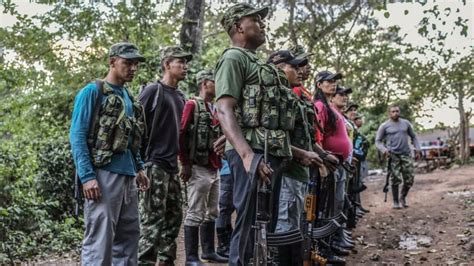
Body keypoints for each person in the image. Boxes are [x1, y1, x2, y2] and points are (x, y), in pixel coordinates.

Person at [215, 4, 320, 265]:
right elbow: (224, 109)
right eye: (256, 20)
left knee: (265, 228)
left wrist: (296, 153)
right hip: (252, 156)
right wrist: (247, 155)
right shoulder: (233, 58)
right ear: (239, 26)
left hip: (269, 156)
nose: (262, 24)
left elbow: (267, 122)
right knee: (249, 225)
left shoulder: (255, 62)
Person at [70, 42, 150, 265]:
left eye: (135, 64)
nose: (133, 68)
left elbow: (131, 140)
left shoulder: (128, 97)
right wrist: (87, 177)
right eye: (127, 63)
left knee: (129, 238)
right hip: (103, 176)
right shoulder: (92, 92)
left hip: (128, 178)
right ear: (112, 62)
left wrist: (140, 167)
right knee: (100, 242)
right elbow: (77, 136)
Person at [138, 46, 192, 265]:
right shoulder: (152, 91)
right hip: (153, 166)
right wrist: (139, 165)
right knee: (152, 222)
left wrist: (185, 163)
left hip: (171, 168)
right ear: (167, 64)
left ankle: (165, 262)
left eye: (186, 63)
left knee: (173, 219)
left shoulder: (180, 97)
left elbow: (181, 135)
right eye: (181, 62)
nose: (185, 67)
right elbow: (136, 127)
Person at [179, 70, 227, 265]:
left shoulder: (215, 108)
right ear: (206, 84)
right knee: (196, 210)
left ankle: (208, 251)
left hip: (214, 166)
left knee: (213, 210)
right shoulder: (192, 105)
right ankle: (191, 256)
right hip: (198, 166)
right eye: (216, 82)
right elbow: (181, 133)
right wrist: (185, 163)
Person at [313, 71, 353, 261]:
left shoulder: (329, 106)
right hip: (327, 165)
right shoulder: (320, 106)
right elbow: (316, 136)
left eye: (335, 81)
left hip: (336, 165)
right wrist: (321, 162)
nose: (333, 84)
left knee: (334, 207)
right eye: (329, 81)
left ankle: (330, 246)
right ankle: (323, 250)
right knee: (325, 210)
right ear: (319, 84)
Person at [376, 105, 421, 209]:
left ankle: (403, 197)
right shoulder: (385, 126)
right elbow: (378, 141)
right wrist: (384, 150)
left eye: (397, 111)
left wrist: (418, 148)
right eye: (393, 111)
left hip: (406, 154)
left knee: (409, 179)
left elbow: (413, 136)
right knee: (395, 178)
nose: (395, 113)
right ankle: (396, 202)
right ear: (389, 113)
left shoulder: (406, 123)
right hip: (393, 155)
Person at [215, 159, 234, 258]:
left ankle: (229, 243)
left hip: (230, 171)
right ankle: (223, 246)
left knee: (228, 209)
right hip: (227, 172)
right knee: (224, 209)